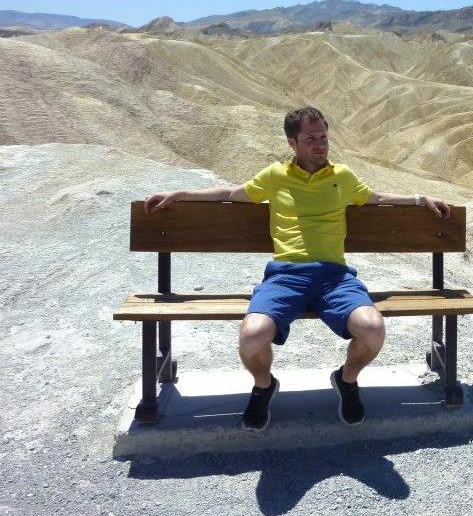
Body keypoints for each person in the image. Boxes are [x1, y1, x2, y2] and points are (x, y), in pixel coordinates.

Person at [143, 106, 451, 431]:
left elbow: (376, 198)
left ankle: (347, 380)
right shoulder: (276, 176)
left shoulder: (342, 176)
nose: (320, 145)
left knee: (373, 330)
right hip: (286, 276)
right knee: (251, 336)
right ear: (292, 143)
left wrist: (420, 199)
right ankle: (263, 386)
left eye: (323, 138)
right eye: (310, 139)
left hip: (335, 278)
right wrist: (182, 194)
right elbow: (232, 193)